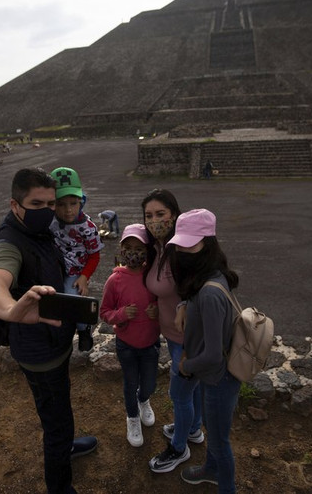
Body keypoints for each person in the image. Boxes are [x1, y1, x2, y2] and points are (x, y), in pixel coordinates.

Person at [0, 167, 97, 494]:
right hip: (39, 351)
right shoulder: (9, 242)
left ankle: (66, 446)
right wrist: (11, 310)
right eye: (37, 204)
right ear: (15, 205)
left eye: (51, 204)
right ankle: (59, 485)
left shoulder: (41, 230)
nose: (47, 211)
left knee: (59, 404)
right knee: (56, 420)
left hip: (53, 342)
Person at [167, 208, 240, 491]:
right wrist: (184, 305)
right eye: (180, 244)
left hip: (219, 377)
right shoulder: (211, 275)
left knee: (220, 441)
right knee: (213, 429)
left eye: (190, 244)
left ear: (207, 243)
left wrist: (185, 366)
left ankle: (226, 488)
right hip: (214, 376)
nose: (184, 251)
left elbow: (211, 354)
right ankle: (210, 469)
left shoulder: (209, 292)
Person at [142, 189, 204, 474]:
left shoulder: (182, 250)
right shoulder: (156, 248)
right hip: (172, 333)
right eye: (149, 215)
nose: (154, 221)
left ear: (175, 215)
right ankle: (192, 429)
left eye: (161, 214)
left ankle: (179, 448)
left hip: (188, 338)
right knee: (192, 390)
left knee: (179, 395)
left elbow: (197, 296)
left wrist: (190, 350)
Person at [99, 224, 160, 448]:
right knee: (130, 382)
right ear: (122, 250)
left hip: (151, 343)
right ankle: (132, 417)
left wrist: (158, 310)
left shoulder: (153, 276)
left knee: (150, 383)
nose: (133, 253)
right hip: (126, 345)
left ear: (147, 251)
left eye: (139, 248)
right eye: (129, 247)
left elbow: (164, 301)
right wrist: (122, 314)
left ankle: (144, 400)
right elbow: (104, 312)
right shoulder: (114, 281)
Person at [49, 166, 104, 352]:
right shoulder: (51, 222)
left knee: (71, 296)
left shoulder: (87, 228)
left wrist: (84, 277)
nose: (68, 210)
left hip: (75, 272)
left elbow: (95, 255)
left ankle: (83, 329)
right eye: (61, 204)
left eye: (73, 203)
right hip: (55, 266)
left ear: (82, 201)